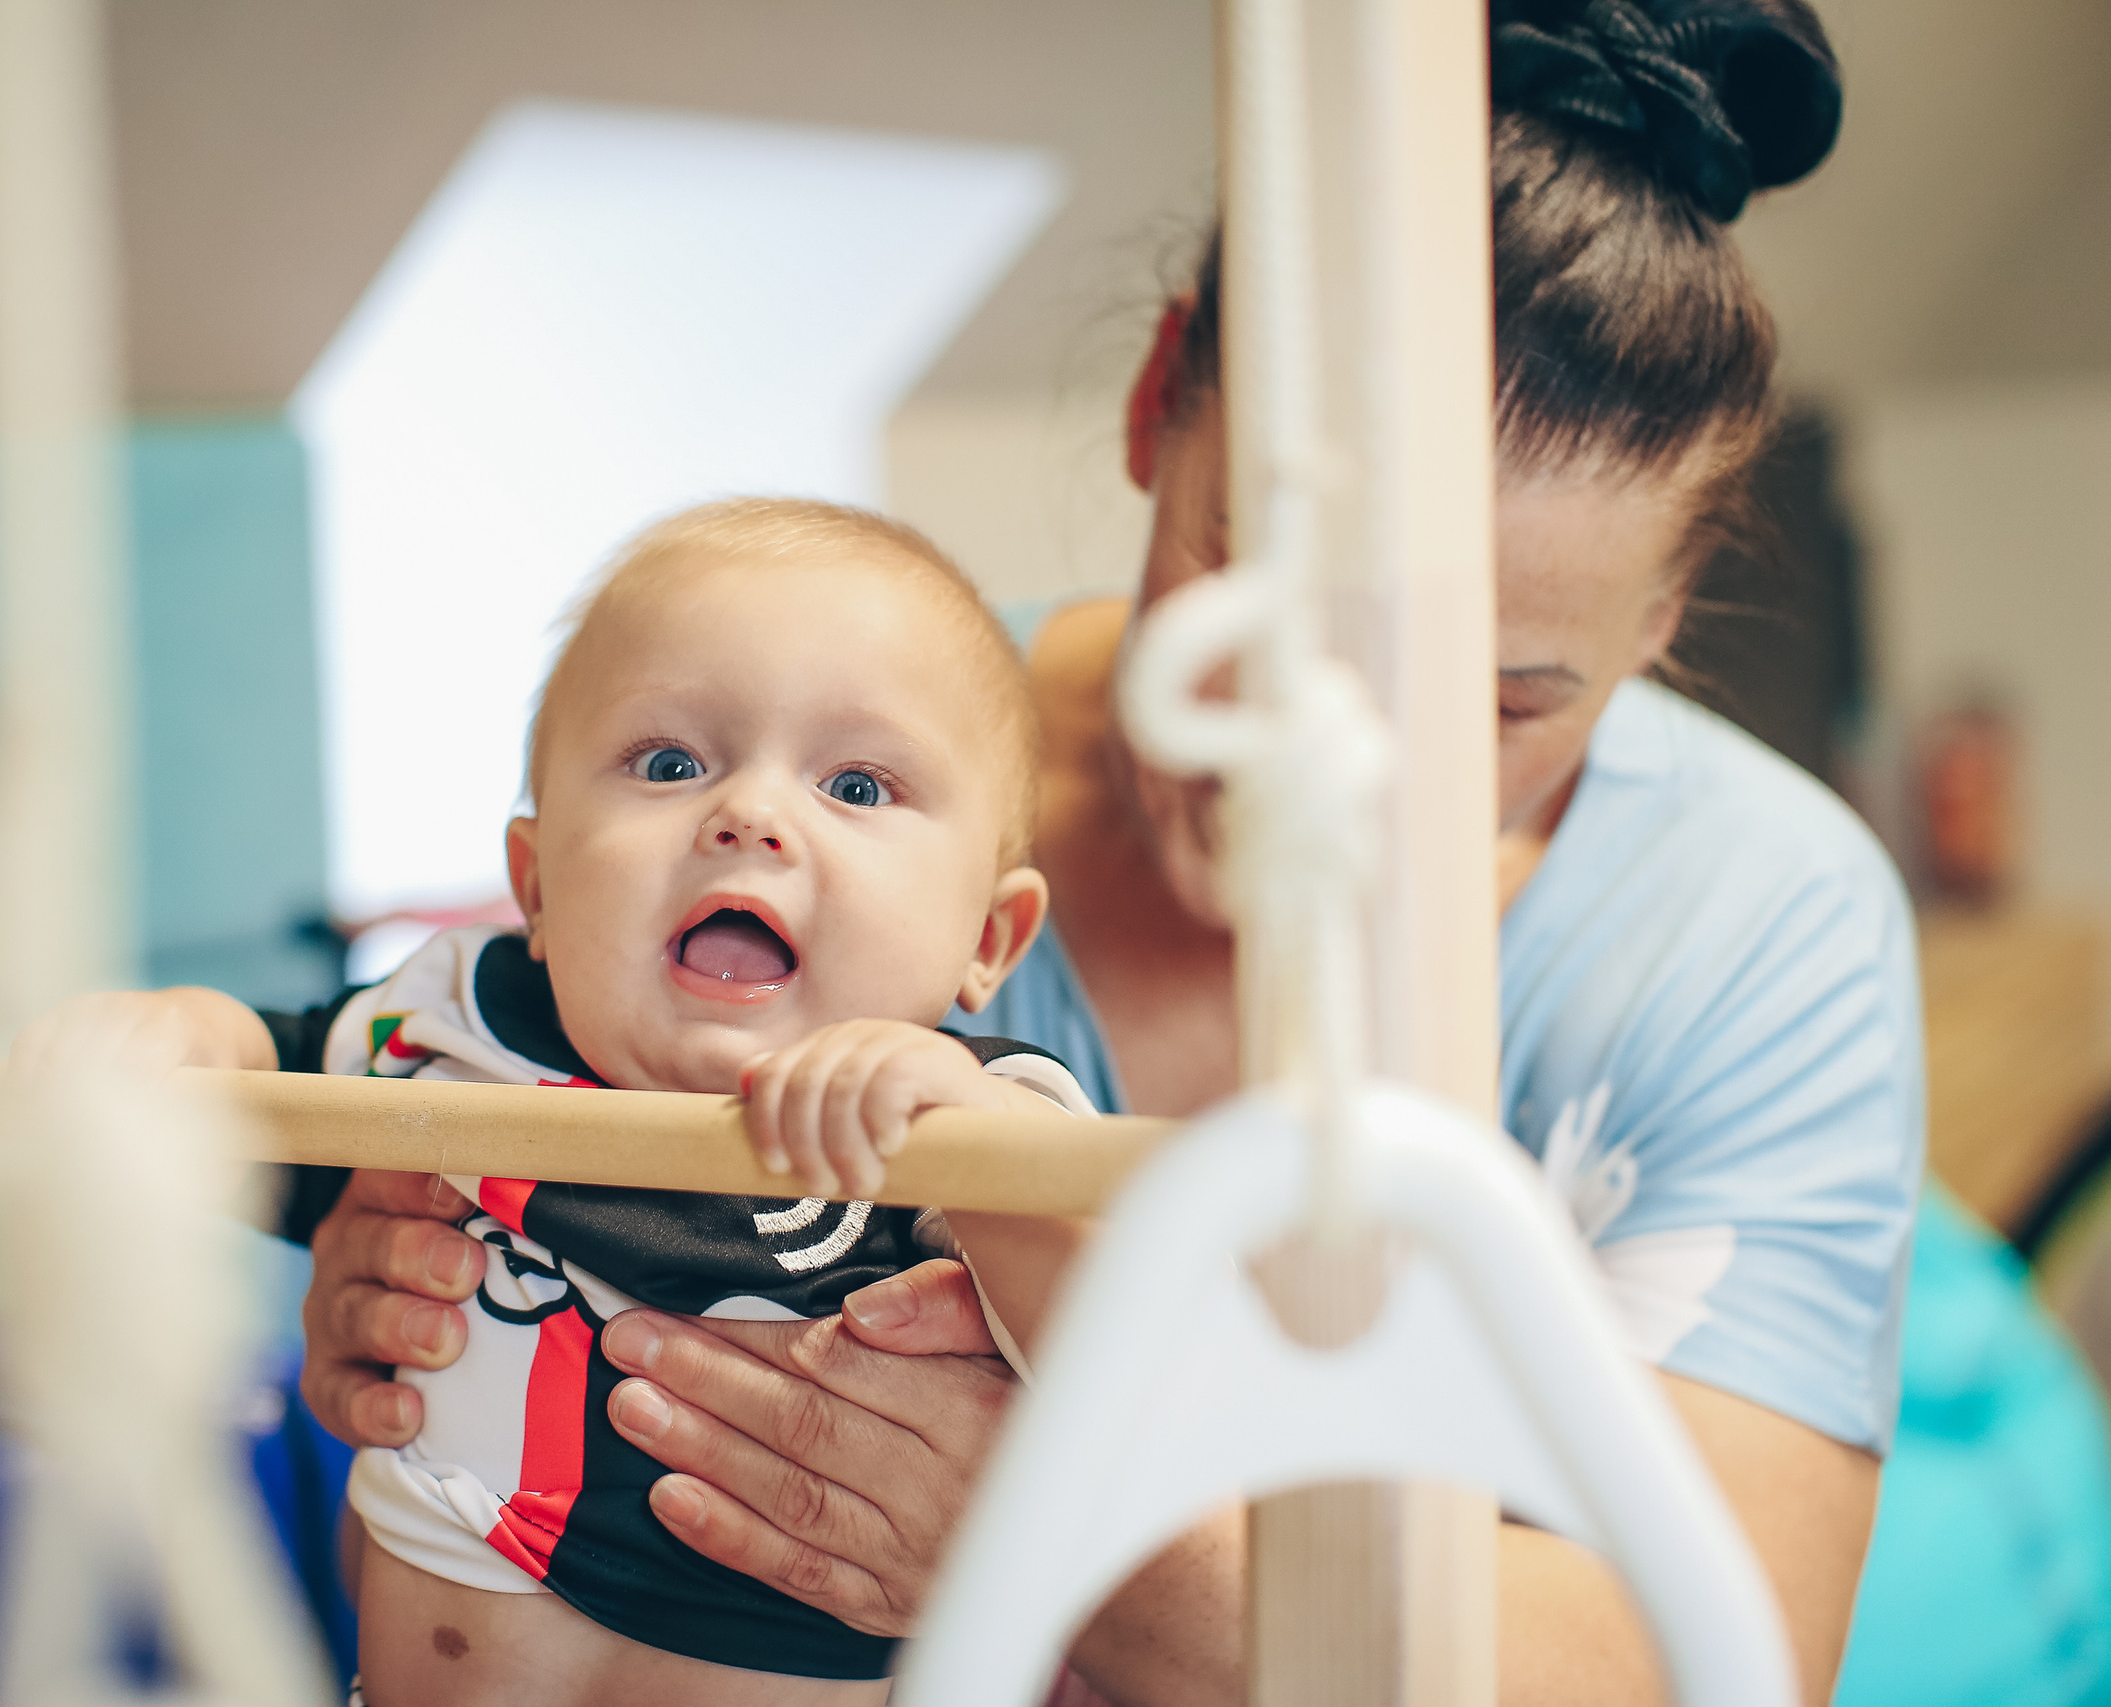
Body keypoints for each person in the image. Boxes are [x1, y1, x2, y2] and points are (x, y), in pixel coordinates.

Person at [284, 4, 1920, 1704]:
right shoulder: (845, 752)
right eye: (1259, 616)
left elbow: (1695, 1665)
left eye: (1504, 702)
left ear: (1661, 619)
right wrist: (417, 1304)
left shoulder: (1753, 926)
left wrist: (1068, 1544)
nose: (1341, 758)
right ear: (1156, 401)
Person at [24, 499, 1098, 1707]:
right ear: (533, 888)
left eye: (855, 784)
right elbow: (262, 1088)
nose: (749, 816)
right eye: (669, 764)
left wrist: (971, 1151)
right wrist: (176, 1035)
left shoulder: (966, 1115)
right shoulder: (451, 1022)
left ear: (987, 937)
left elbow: (1112, 1354)